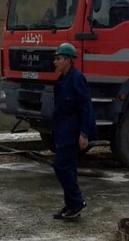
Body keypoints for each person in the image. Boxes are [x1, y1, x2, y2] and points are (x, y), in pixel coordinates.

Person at [50, 43, 96, 221]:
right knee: (68, 168)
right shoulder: (62, 79)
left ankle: (77, 201)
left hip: (72, 131)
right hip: (62, 130)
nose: (55, 62)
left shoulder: (76, 78)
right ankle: (71, 204)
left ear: (68, 61)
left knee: (61, 166)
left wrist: (84, 133)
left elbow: (86, 107)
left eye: (58, 58)